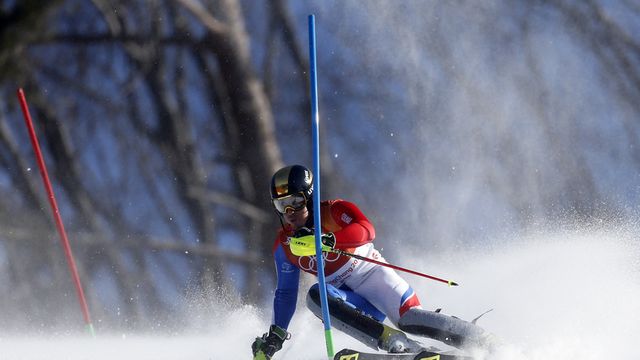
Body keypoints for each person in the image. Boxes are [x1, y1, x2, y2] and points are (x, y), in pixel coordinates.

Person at [251, 165, 492, 360]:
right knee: (317, 297)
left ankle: (482, 341)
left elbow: (367, 229)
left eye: (297, 202)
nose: (290, 211)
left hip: (374, 276)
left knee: (408, 319)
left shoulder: (333, 211)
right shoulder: (285, 245)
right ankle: (399, 346)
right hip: (349, 300)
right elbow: (285, 293)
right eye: (282, 205)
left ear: (310, 197)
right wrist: (276, 335)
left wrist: (331, 239)